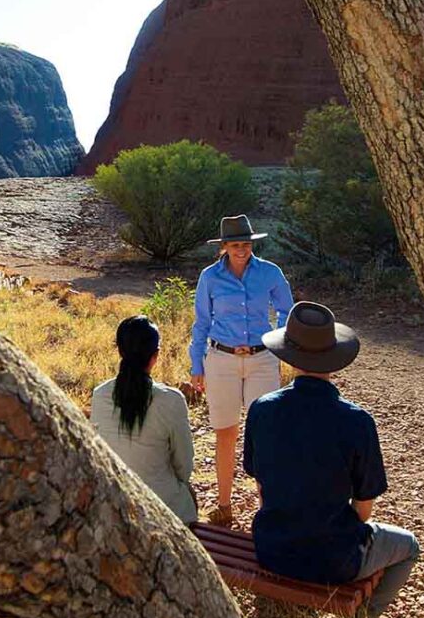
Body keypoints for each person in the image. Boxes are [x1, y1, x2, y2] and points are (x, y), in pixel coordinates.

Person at [244, 301, 419, 618]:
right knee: (409, 546)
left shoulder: (261, 409)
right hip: (335, 560)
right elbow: (364, 508)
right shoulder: (357, 421)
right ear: (334, 360)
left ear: (288, 355)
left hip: (272, 549)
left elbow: (262, 487)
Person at [189, 214, 294, 526]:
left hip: (263, 359)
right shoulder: (210, 277)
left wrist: (280, 340)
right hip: (221, 359)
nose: (242, 250)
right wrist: (197, 365)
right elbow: (202, 322)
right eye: (235, 245)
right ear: (224, 247)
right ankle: (224, 506)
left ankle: (267, 509)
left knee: (264, 433)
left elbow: (287, 309)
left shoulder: (270, 272)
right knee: (226, 432)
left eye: (246, 244)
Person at [91, 315, 197, 524]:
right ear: (155, 356)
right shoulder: (171, 400)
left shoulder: (100, 395)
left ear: (119, 351)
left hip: (116, 508)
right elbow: (184, 466)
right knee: (188, 497)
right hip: (164, 510)